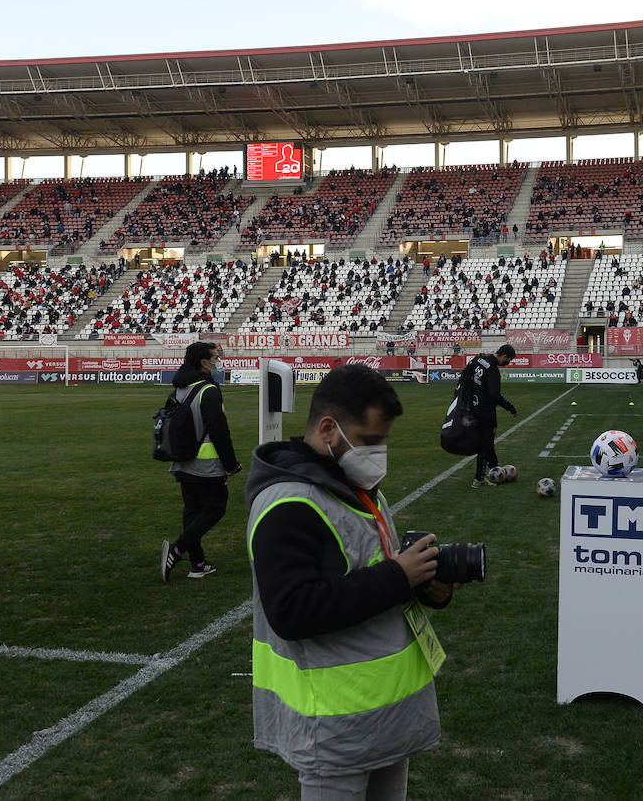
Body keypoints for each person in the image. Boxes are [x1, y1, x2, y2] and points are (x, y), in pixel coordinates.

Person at [245, 364, 458, 798]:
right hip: (333, 731)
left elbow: (371, 570)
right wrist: (399, 575)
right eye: (370, 441)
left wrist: (423, 585)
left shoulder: (353, 485)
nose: (378, 453)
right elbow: (292, 610)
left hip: (386, 719)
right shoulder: (288, 504)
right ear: (328, 428)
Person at [161, 341, 242, 582]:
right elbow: (219, 431)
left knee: (192, 510)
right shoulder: (209, 390)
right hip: (206, 463)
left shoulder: (178, 389)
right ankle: (176, 550)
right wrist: (230, 464)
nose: (218, 362)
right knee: (215, 509)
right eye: (215, 358)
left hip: (182, 459)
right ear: (204, 363)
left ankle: (197, 564)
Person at [467, 344, 518, 488]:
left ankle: (495, 467)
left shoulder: (479, 360)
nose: (508, 363)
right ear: (504, 356)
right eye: (509, 360)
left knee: (486, 443)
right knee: (485, 444)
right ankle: (479, 480)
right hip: (485, 413)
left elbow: (467, 378)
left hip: (473, 408)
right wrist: (511, 408)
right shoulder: (493, 370)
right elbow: (495, 394)